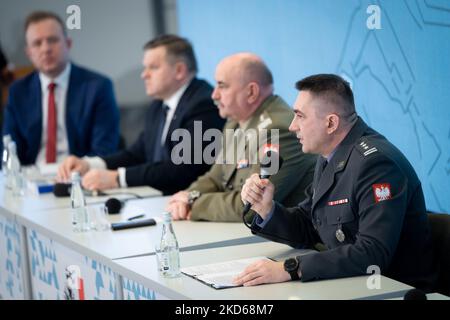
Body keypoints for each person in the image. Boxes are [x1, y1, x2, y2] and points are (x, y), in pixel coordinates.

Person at [236, 74, 437, 291]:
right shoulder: (329, 157)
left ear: (331, 122)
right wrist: (267, 209)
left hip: (394, 290)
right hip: (354, 285)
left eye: (300, 116)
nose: (293, 126)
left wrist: (290, 268)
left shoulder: (376, 165)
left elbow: (372, 253)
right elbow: (309, 224)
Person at [58, 35, 225, 195]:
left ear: (179, 70)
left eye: (153, 67)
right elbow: (137, 154)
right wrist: (89, 164)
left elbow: (180, 170)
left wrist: (118, 178)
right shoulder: (158, 105)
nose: (144, 74)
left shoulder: (203, 105)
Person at [166, 53, 316, 222]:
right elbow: (215, 177)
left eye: (222, 86)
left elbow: (250, 207)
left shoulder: (277, 131)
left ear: (251, 92)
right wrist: (186, 196)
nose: (214, 95)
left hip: (286, 240)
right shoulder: (235, 123)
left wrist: (194, 204)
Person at [3, 11, 120, 165]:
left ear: (68, 43)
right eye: (37, 43)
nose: (46, 49)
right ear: (29, 53)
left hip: (79, 175)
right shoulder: (18, 91)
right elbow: (9, 147)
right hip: (31, 178)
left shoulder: (98, 87)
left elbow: (104, 150)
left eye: (52, 40)